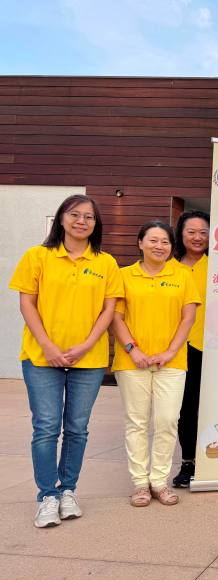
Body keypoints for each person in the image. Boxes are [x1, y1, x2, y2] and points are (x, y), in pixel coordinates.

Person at [9, 195, 122, 528]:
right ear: (61, 219)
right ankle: (47, 496)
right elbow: (27, 303)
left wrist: (86, 345)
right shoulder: (38, 256)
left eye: (89, 217)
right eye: (75, 214)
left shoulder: (106, 263)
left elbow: (109, 310)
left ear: (96, 224)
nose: (81, 221)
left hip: (90, 359)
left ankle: (68, 490)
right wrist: (48, 346)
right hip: (41, 357)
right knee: (46, 427)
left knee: (77, 429)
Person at [112, 221, 201, 507]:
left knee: (167, 421)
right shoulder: (124, 275)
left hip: (172, 362)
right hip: (131, 361)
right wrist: (133, 350)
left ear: (171, 247)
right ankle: (141, 483)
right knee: (137, 422)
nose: (159, 246)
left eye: (165, 241)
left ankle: (159, 481)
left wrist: (170, 351)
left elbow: (188, 317)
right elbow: (116, 317)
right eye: (153, 240)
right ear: (140, 243)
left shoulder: (182, 275)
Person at [171, 210, 210, 488]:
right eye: (191, 232)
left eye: (203, 232)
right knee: (185, 408)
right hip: (178, 347)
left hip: (215, 347)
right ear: (180, 234)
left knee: (213, 406)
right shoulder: (169, 267)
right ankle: (188, 462)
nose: (197, 237)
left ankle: (215, 460)